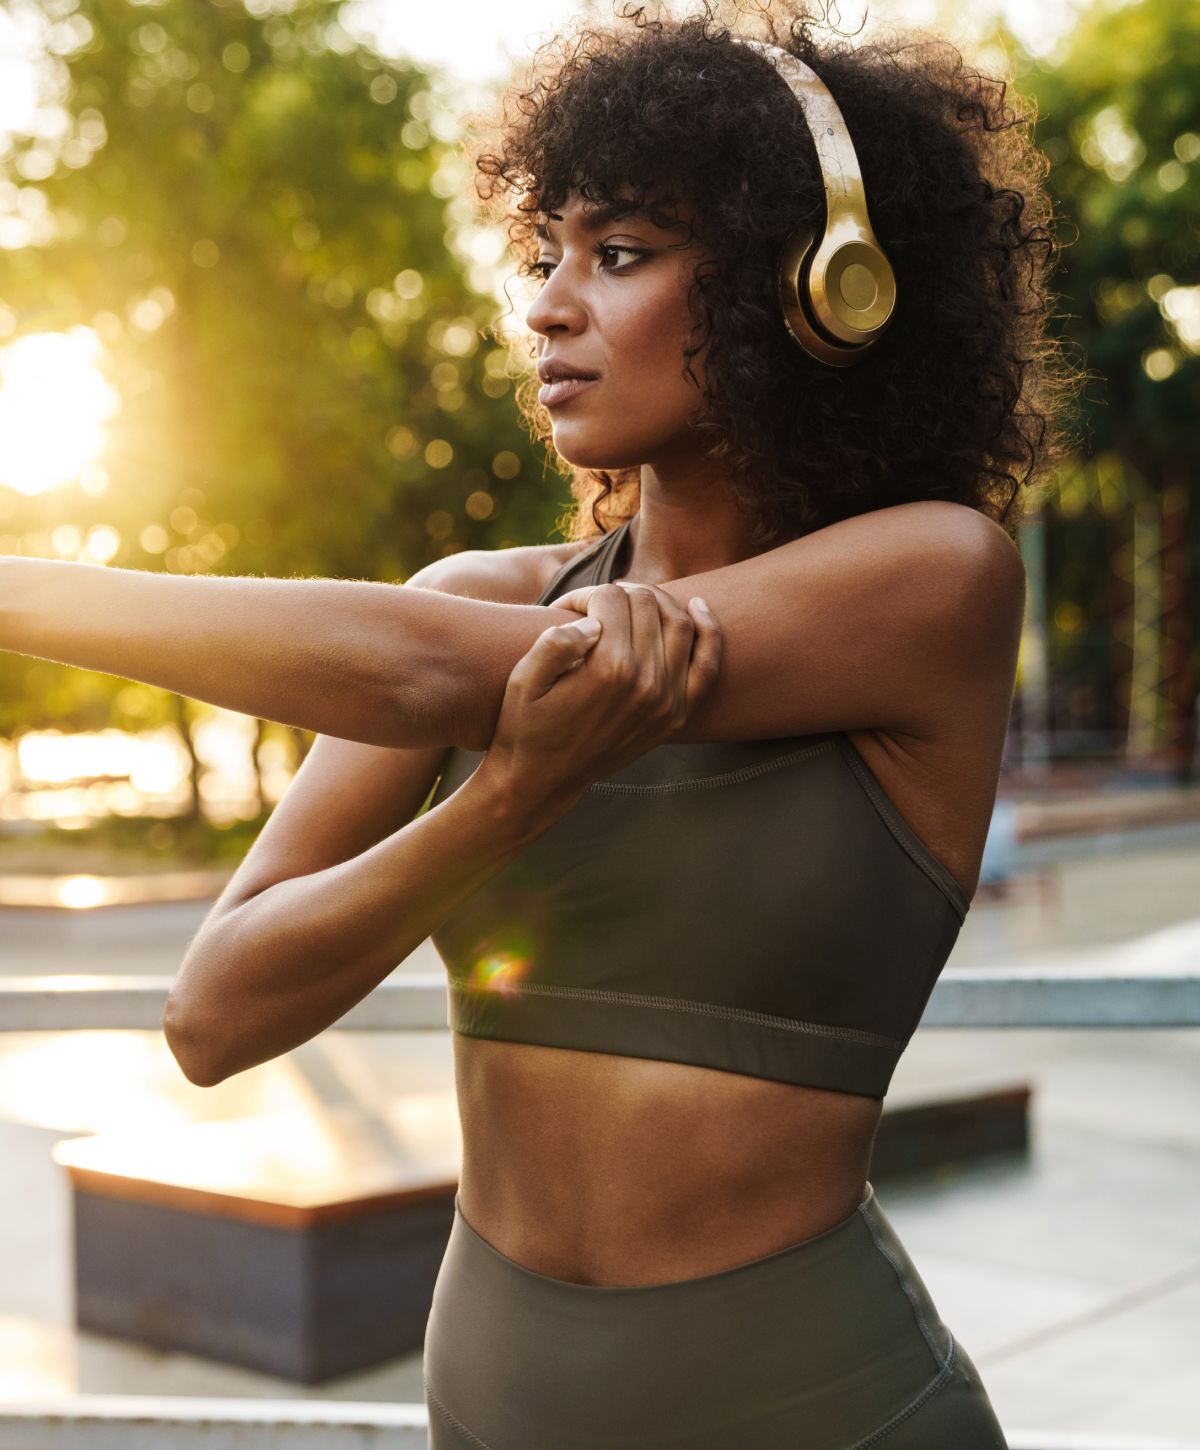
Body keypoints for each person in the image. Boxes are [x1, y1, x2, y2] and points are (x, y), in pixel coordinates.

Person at [0, 3, 1076, 1445]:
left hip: (822, 1406)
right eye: (544, 255)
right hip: (495, 1397)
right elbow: (213, 1015)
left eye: (621, 255)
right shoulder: (475, 603)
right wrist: (501, 804)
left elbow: (423, 670)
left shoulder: (934, 578)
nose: (549, 305)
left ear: (811, 287)